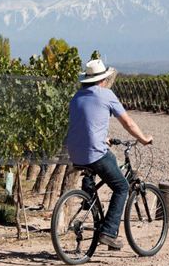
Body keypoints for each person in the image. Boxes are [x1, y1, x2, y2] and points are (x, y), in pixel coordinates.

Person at [65, 58, 153, 250]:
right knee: (121, 186)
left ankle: (89, 201)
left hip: (74, 152)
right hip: (94, 152)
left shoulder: (77, 96)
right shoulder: (106, 94)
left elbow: (84, 123)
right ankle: (109, 232)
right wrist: (144, 139)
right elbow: (128, 122)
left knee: (96, 168)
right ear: (102, 80)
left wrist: (101, 138)